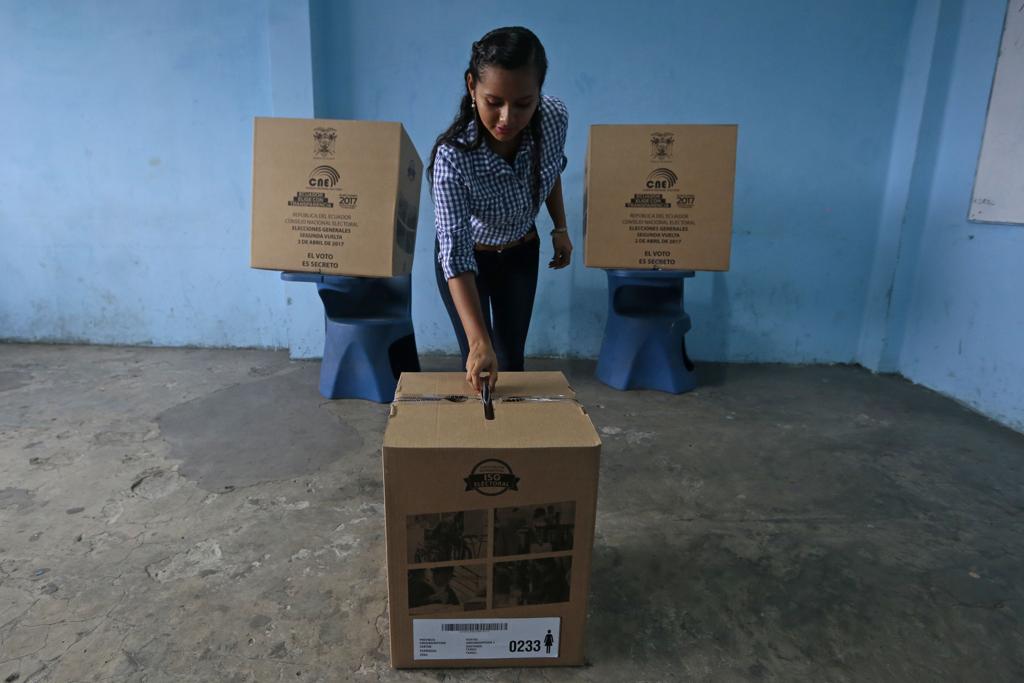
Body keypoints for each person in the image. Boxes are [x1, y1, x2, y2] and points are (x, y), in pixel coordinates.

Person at [429, 26, 571, 393]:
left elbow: (551, 168)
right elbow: (455, 252)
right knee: (481, 364)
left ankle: (515, 447)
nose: (507, 118)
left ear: (540, 92)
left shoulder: (554, 117)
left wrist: (560, 228)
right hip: (468, 263)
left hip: (521, 252)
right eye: (494, 102)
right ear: (471, 86)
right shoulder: (453, 157)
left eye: (524, 103)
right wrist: (479, 342)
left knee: (512, 361)